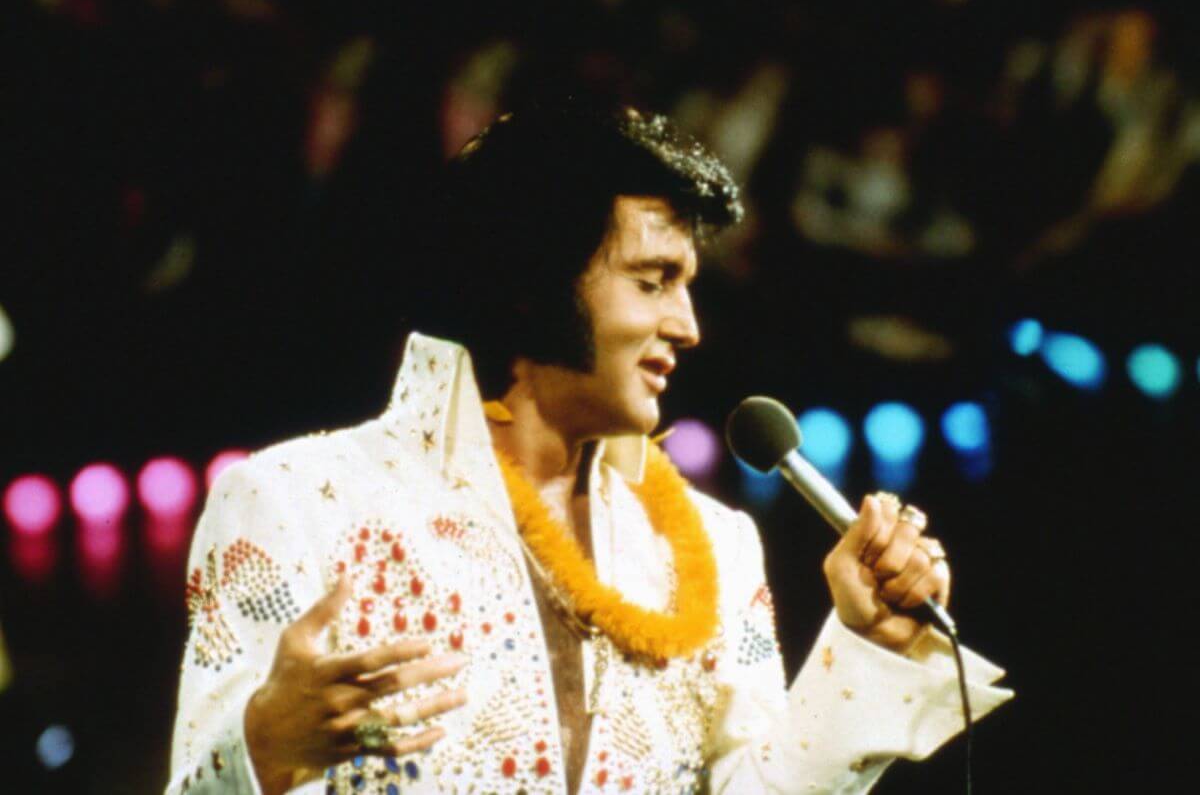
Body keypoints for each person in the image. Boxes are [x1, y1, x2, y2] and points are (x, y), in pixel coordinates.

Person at [167, 102, 1012, 795]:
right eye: (651, 282)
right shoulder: (297, 502)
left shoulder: (713, 550)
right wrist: (263, 746)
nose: (686, 327)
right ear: (533, 282)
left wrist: (863, 644)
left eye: (687, 285)